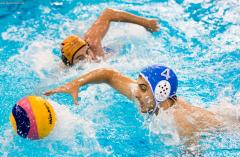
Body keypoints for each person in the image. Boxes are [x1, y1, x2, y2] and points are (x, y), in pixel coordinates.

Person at [44, 65, 223, 148]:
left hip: (228, 126)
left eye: (143, 88)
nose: (136, 92)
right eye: (138, 86)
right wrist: (75, 83)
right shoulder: (142, 96)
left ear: (161, 93)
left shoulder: (181, 121)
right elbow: (109, 75)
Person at [60, 8, 159, 66]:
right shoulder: (66, 72)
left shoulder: (93, 43)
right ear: (71, 64)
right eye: (80, 59)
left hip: (111, 51)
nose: (89, 58)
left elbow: (108, 13)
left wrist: (146, 23)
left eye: (87, 51)